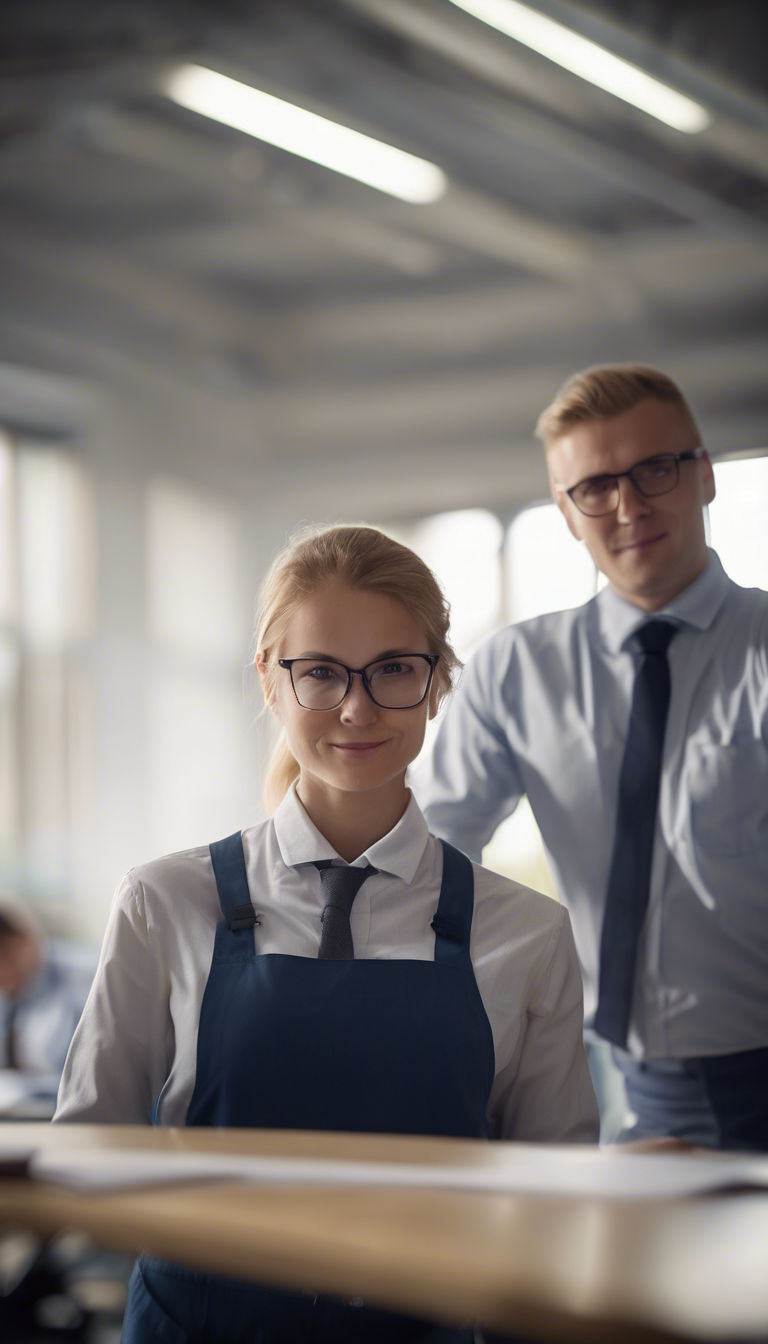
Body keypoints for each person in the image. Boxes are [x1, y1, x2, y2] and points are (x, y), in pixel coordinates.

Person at [55, 524, 597, 1344]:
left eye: (393, 670)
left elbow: (560, 1199)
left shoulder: (526, 932)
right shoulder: (163, 902)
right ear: (269, 684)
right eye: (319, 673)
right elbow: (86, 1154)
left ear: (438, 683)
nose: (357, 706)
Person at [416, 363, 768, 1152]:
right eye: (595, 487)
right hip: (618, 1074)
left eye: (655, 469)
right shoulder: (518, 670)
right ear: (568, 515)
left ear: (705, 476)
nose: (629, 506)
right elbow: (430, 858)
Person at [0, 901, 96, 1111]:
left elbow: (86, 1080)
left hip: (64, 1117)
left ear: (22, 942)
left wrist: (25, 1088)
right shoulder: (9, 996)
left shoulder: (86, 983)